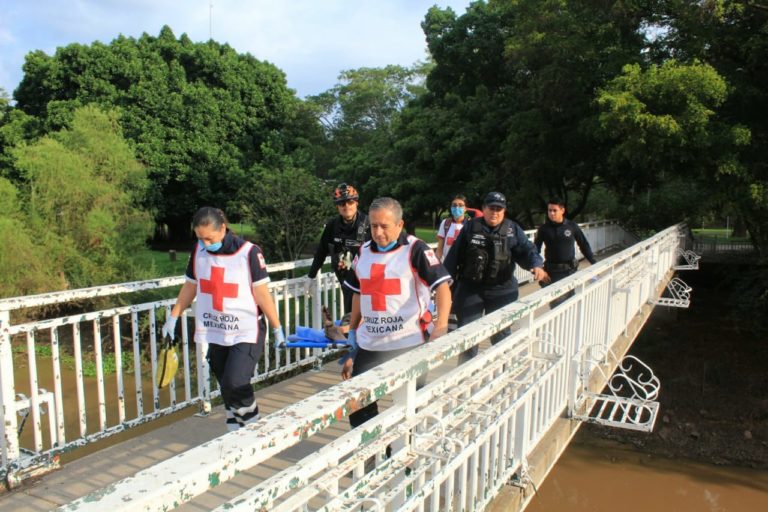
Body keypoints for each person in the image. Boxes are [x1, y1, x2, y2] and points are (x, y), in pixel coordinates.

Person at [162, 207, 285, 432]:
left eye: (210, 238)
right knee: (224, 382)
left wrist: (277, 328)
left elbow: (262, 294)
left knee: (236, 382)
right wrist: (173, 316)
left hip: (247, 330)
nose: (206, 244)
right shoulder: (199, 252)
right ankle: (234, 428)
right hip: (216, 329)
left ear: (223, 228)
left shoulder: (248, 252)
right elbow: (191, 285)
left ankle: (252, 430)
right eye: (200, 238)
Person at [341, 197, 452, 429]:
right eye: (373, 226)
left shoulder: (415, 249)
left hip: (408, 343)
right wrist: (352, 332)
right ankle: (372, 457)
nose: (378, 232)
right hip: (370, 344)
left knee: (409, 408)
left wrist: (440, 327)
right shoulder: (363, 252)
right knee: (359, 407)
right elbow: (359, 294)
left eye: (384, 226)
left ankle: (406, 457)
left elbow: (441, 287)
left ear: (400, 225)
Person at [444, 192, 548, 363]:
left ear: (504, 211)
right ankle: (464, 375)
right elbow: (454, 256)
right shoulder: (470, 228)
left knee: (501, 335)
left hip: (502, 288)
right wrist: (444, 284)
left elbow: (527, 250)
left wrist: (536, 265)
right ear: (483, 209)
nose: (495, 212)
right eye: (491, 208)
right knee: (468, 336)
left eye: (499, 209)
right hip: (471, 288)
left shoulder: (512, 229)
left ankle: (502, 370)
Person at [308, 183, 370, 313]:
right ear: (337, 207)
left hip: (368, 280)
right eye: (342, 204)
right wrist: (311, 276)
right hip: (346, 279)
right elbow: (321, 251)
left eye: (350, 202)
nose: (346, 206)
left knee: (368, 314)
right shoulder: (332, 226)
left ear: (356, 203)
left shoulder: (368, 224)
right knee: (350, 315)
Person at [534, 198, 597, 308]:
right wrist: (538, 268)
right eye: (549, 210)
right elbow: (535, 251)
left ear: (562, 210)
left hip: (570, 270)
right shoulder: (544, 229)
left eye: (554, 210)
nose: (551, 213)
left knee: (571, 301)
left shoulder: (571, 226)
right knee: (557, 304)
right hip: (552, 273)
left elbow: (584, 245)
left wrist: (594, 263)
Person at [436, 194, 472, 262]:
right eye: (454, 205)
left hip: (462, 266)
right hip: (446, 264)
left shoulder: (470, 224)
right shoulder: (445, 223)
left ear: (465, 209)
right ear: (451, 207)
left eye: (460, 205)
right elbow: (439, 249)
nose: (457, 207)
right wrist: (436, 265)